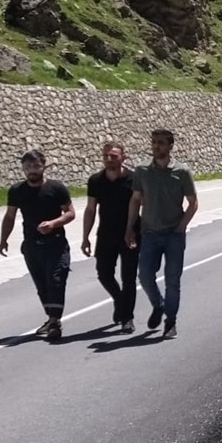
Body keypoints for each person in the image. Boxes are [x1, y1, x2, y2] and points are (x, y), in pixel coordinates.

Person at [126, 128, 198, 340]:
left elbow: (193, 203)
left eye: (161, 143)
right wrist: (130, 228)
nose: (156, 146)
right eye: (154, 142)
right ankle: (158, 305)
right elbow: (135, 200)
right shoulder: (142, 171)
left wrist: (182, 226)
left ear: (170, 146)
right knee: (145, 276)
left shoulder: (181, 172)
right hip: (149, 233)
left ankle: (170, 322)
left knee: (172, 281)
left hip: (174, 236)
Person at [0, 150, 75, 340]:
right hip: (32, 246)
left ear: (44, 166)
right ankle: (51, 318)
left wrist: (53, 224)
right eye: (28, 167)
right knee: (42, 285)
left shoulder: (56, 188)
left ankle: (55, 320)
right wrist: (3, 239)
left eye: (36, 166)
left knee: (56, 280)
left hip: (56, 244)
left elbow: (70, 213)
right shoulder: (16, 190)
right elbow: (10, 216)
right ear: (23, 169)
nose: (32, 170)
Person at [81, 141, 138, 332]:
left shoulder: (134, 179)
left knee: (128, 277)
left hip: (131, 234)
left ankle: (127, 318)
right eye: (106, 155)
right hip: (105, 234)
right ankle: (120, 301)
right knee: (104, 273)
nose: (109, 159)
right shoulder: (96, 180)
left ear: (123, 157)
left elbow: (142, 205)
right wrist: (85, 236)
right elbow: (90, 209)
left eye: (113, 156)